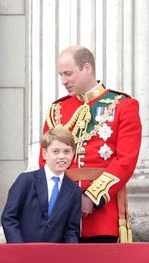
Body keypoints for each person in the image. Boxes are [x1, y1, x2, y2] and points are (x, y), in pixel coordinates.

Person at [40, 45, 142, 243]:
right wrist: (63, 200)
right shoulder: (57, 110)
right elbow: (45, 160)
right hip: (61, 214)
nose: (63, 81)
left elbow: (125, 161)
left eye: (68, 74)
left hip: (102, 216)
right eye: (60, 75)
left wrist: (92, 198)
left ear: (87, 68)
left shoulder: (123, 105)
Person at [3, 127, 82, 243]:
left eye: (66, 151)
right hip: (24, 252)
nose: (61, 156)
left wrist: (67, 256)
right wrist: (19, 248)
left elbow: (71, 230)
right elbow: (9, 218)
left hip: (55, 256)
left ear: (73, 154)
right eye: (55, 151)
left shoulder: (74, 190)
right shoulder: (26, 180)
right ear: (44, 153)